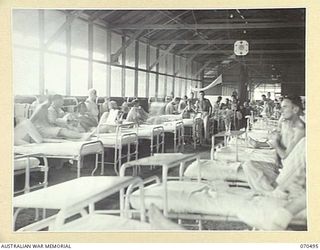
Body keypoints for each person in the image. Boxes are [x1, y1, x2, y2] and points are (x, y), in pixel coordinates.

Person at [243, 95, 305, 194]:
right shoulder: (286, 124)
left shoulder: (300, 129)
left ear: (295, 109)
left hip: (291, 173)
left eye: (285, 107)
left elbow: (285, 155)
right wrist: (261, 144)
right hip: (280, 168)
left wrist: (276, 143)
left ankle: (272, 193)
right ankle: (269, 191)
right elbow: (277, 144)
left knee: (260, 176)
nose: (281, 110)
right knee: (248, 165)